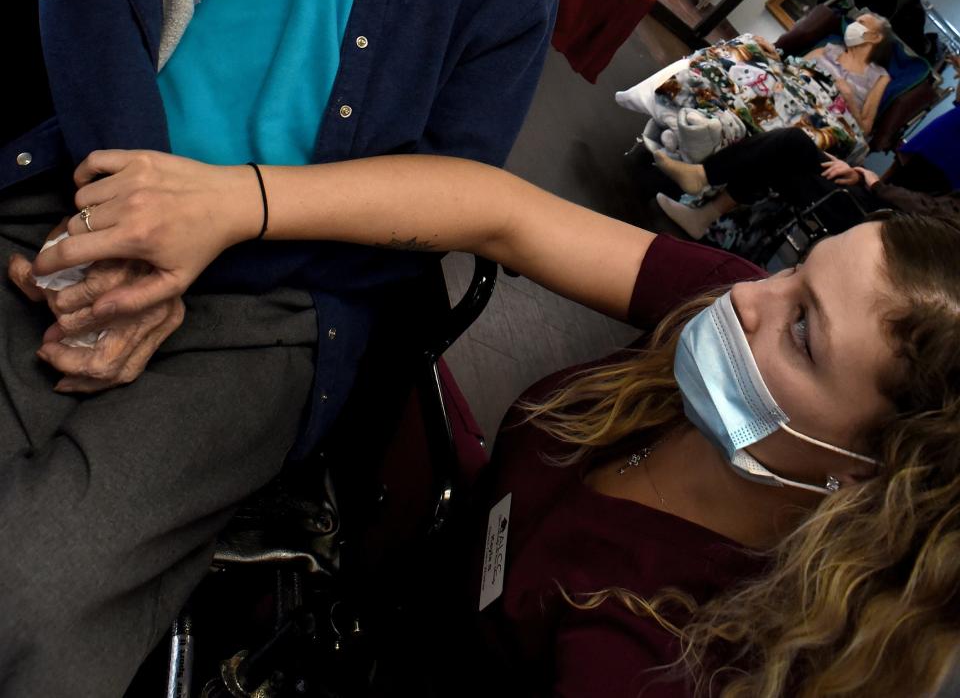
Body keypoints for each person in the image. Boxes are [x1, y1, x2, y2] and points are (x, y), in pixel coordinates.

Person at [0, 0, 639, 697]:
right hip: (92, 195)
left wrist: (202, 244)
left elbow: (430, 203)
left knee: (34, 592)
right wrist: (132, 228)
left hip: (279, 306)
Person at [30, 147, 960, 698]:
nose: (749, 298)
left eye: (804, 328)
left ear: (875, 472)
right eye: (797, 266)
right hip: (423, 569)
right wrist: (237, 200)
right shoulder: (747, 313)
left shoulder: (670, 663)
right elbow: (502, 213)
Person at [652, 126, 960, 241]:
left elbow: (930, 213)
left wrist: (873, 183)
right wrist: (861, 176)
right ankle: (702, 210)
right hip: (876, 208)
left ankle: (703, 182)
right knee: (789, 147)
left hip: (873, 226)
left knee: (789, 146)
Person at [797, 10, 892, 136]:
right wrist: (775, 57)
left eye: (861, 23)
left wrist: (850, 99)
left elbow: (865, 130)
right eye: (854, 22)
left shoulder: (879, 77)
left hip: (820, 129)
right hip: (795, 101)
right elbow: (790, 71)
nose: (852, 26)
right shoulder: (827, 50)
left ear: (876, 37)